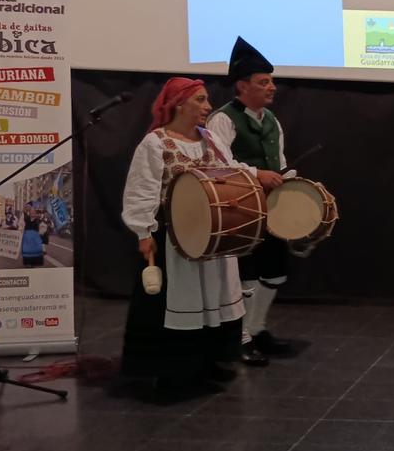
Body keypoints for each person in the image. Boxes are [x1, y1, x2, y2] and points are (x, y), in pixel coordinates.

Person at [120, 77, 280, 394]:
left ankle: (210, 363)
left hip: (213, 238)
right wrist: (143, 232)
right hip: (178, 239)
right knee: (182, 302)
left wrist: (256, 175)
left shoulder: (210, 139)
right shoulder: (156, 143)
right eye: (201, 100)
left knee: (215, 299)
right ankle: (177, 370)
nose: (208, 107)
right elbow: (141, 191)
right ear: (179, 103)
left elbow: (231, 169)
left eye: (207, 100)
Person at [207, 37, 290, 366]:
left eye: (271, 81)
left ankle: (258, 329)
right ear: (242, 86)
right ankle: (240, 338)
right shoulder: (223, 120)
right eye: (264, 82)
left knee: (275, 272)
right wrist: (257, 174)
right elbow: (218, 165)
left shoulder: (272, 121)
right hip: (238, 210)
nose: (272, 87)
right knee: (246, 276)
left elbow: (280, 163)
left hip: (269, 210)